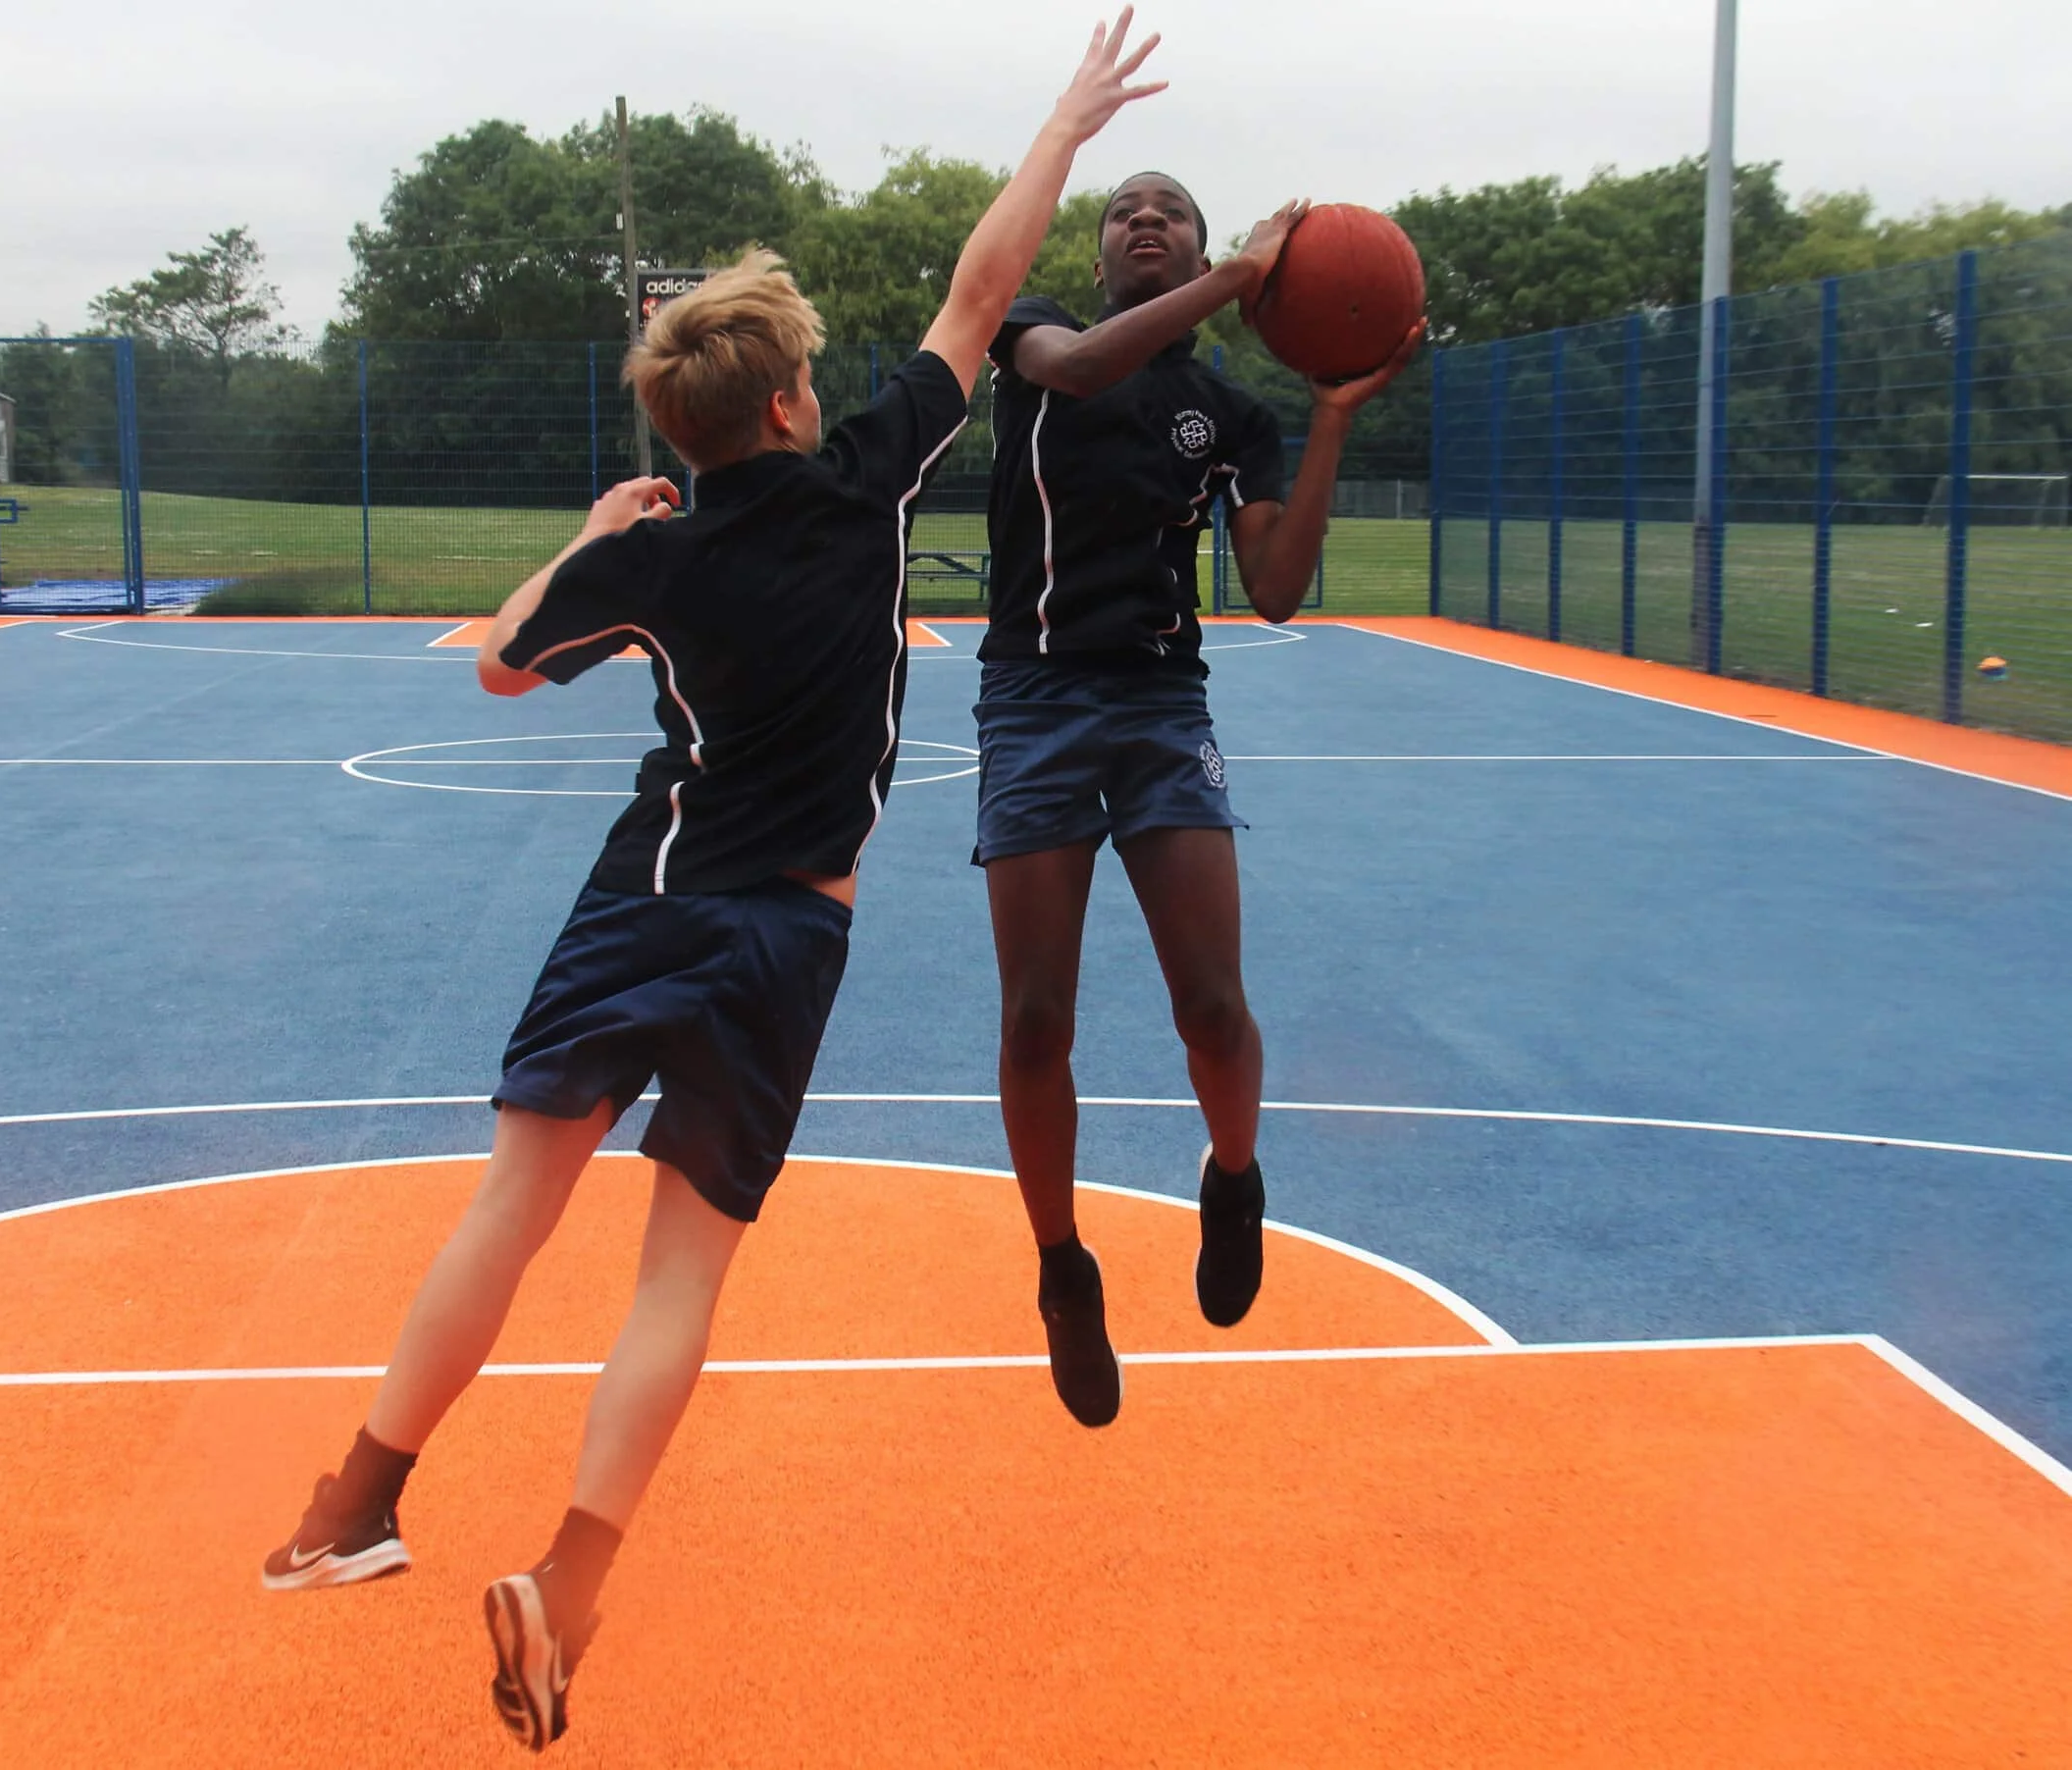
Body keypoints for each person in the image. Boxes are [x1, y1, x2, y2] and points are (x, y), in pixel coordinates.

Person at [258, 14, 1167, 1753]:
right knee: (680, 1273)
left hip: (642, 896)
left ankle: (356, 1500)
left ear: (684, 431)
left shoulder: (658, 552)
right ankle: (570, 1586)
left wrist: (599, 537)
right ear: (795, 401)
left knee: (508, 1209)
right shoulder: (864, 479)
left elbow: (507, 666)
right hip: (788, 931)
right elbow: (982, 295)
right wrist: (1060, 121)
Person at [977, 172, 1420, 1428]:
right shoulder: (1037, 336)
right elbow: (1077, 372)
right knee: (1031, 1024)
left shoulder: (1228, 411)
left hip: (1162, 707)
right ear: (1103, 248)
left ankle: (1234, 1180)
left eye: (1170, 207)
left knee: (1215, 1010)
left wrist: (1328, 414)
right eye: (1125, 209)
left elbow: (1275, 589)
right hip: (1034, 699)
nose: (1145, 219)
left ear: (1208, 244)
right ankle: (1063, 1271)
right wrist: (1242, 280)